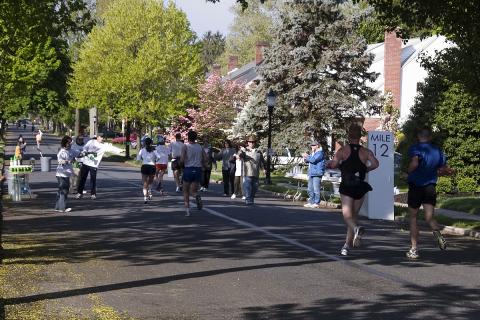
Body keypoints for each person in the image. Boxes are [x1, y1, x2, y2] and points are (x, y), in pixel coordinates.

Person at [327, 124, 379, 256]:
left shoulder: (343, 150)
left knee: (347, 215)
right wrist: (365, 169)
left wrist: (329, 164)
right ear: (360, 136)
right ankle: (346, 245)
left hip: (347, 185)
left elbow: (333, 164)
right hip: (360, 186)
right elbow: (376, 164)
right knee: (354, 216)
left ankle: (356, 229)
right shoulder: (366, 152)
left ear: (349, 136)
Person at [405, 128, 453, 259]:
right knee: (429, 217)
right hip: (430, 187)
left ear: (418, 136)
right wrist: (447, 171)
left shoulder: (416, 148)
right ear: (430, 137)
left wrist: (408, 172)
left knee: (413, 218)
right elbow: (443, 169)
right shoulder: (437, 151)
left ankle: (414, 249)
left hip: (416, 186)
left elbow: (414, 163)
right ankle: (438, 234)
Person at [180, 130, 207, 217]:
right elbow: (205, 158)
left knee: (185, 191)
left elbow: (182, 159)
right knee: (193, 191)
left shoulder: (185, 146)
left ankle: (187, 210)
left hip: (188, 169)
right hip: (197, 169)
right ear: (196, 138)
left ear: (188, 137)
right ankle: (196, 196)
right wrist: (202, 164)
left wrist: (181, 165)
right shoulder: (200, 146)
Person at [75, 134, 107, 200]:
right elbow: (85, 148)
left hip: (94, 165)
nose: (102, 138)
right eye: (101, 137)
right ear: (98, 137)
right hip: (86, 162)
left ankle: (93, 194)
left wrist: (120, 151)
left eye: (103, 137)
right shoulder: (91, 142)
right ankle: (79, 193)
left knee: (93, 179)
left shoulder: (103, 145)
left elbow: (112, 148)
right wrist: (85, 152)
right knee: (83, 178)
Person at [240, 136, 265, 205]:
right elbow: (240, 155)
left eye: (253, 142)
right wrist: (241, 152)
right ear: (247, 142)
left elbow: (262, 161)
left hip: (256, 172)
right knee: (248, 187)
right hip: (247, 172)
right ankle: (248, 199)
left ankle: (251, 198)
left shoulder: (258, 152)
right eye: (250, 142)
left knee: (255, 187)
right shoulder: (244, 151)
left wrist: (263, 169)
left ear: (255, 143)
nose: (251, 143)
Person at [303, 140, 326, 208]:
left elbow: (313, 160)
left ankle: (316, 203)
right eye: (311, 145)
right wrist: (305, 158)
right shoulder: (313, 153)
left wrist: (307, 156)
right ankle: (311, 202)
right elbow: (309, 160)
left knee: (316, 189)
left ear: (317, 146)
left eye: (313, 145)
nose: (312, 146)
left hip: (317, 173)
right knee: (310, 189)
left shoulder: (320, 153)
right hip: (311, 173)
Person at [54, 136, 74, 213]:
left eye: (71, 143)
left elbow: (78, 154)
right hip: (62, 174)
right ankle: (62, 208)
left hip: (66, 174)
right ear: (65, 143)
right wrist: (68, 161)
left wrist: (84, 153)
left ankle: (57, 207)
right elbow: (59, 161)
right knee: (64, 191)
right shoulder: (62, 151)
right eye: (69, 143)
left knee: (60, 191)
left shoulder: (70, 150)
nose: (70, 144)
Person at [137, 137, 158, 203]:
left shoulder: (142, 150)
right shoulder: (154, 150)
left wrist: (143, 160)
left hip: (145, 166)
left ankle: (145, 197)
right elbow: (159, 157)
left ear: (145, 143)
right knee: (150, 181)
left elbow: (138, 159)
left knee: (145, 182)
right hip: (152, 166)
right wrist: (155, 161)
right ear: (151, 143)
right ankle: (150, 191)